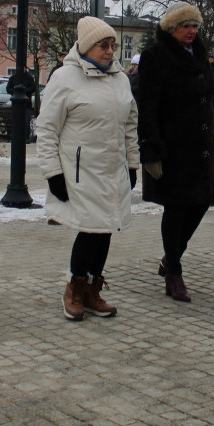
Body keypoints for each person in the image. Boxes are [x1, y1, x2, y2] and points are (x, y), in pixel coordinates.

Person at [36, 17, 139, 321]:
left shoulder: (120, 79)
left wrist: (133, 164)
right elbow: (47, 130)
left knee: (107, 228)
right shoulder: (65, 78)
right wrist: (53, 173)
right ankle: (74, 289)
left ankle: (93, 289)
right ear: (86, 47)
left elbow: (130, 125)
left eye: (112, 45)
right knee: (91, 229)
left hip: (113, 169)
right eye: (103, 45)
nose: (109, 51)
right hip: (80, 171)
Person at [138, 1, 214, 302]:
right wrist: (151, 147)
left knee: (201, 202)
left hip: (201, 147)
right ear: (172, 28)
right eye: (185, 26)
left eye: (195, 26)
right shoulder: (155, 57)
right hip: (173, 147)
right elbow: (147, 106)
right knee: (176, 208)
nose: (191, 31)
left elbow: (209, 99)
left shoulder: (200, 55)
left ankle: (170, 257)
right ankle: (174, 272)